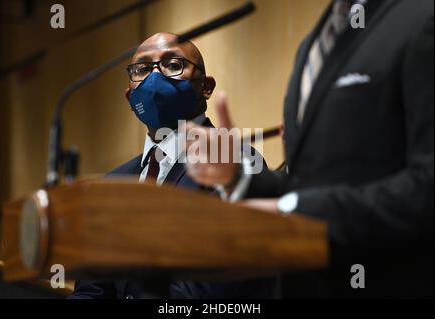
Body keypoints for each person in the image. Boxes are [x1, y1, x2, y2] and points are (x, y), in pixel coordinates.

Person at [185, 0, 434, 298]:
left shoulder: (422, 17)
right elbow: (312, 185)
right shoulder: (313, 45)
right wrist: (240, 178)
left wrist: (295, 211)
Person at [70, 32, 278, 299]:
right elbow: (91, 290)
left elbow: (210, 291)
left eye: (173, 64)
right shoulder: (113, 182)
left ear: (205, 86)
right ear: (129, 97)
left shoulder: (235, 168)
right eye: (142, 69)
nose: (155, 78)